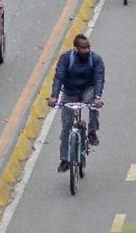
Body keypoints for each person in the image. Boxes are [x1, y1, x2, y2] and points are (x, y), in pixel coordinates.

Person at [47, 34, 105, 173]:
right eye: (83, 48)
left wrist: (97, 97)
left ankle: (92, 131)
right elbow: (59, 77)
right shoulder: (66, 59)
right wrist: (54, 96)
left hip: (88, 90)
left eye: (88, 47)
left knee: (92, 104)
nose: (86, 50)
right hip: (70, 92)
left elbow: (99, 79)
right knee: (66, 125)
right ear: (76, 48)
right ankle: (64, 159)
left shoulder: (96, 59)